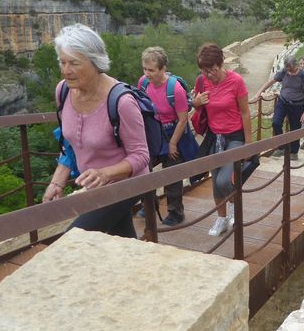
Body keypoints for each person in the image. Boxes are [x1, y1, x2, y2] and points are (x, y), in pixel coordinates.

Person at [43, 23, 149, 238]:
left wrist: (105, 173)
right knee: (121, 240)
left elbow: (141, 156)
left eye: (74, 63)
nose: (66, 70)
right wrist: (57, 181)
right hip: (95, 186)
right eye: (62, 62)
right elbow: (70, 144)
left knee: (74, 239)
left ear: (95, 62)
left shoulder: (121, 101)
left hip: (126, 185)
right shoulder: (63, 91)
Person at [192, 43, 253, 236]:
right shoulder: (201, 82)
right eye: (204, 70)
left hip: (235, 137)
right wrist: (196, 103)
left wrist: (249, 145)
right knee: (215, 179)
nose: (208, 74)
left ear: (221, 63)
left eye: (212, 70)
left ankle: (235, 210)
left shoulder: (236, 81)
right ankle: (221, 219)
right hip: (214, 137)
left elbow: (245, 112)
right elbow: (195, 107)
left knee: (224, 180)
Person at [137, 47, 196, 226]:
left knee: (172, 174)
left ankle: (175, 212)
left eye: (151, 70)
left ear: (163, 69)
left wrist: (172, 144)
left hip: (173, 133)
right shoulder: (143, 83)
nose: (147, 74)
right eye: (144, 69)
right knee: (142, 169)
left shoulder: (174, 89)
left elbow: (183, 119)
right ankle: (148, 205)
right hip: (153, 133)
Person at [253, 55, 304, 161]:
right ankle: (281, 147)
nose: (289, 71)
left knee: (295, 129)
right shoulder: (284, 71)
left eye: (291, 69)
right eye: (287, 69)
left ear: (295, 65)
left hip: (297, 105)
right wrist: (258, 93)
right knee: (276, 123)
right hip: (283, 102)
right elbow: (271, 82)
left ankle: (294, 152)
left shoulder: (303, 74)